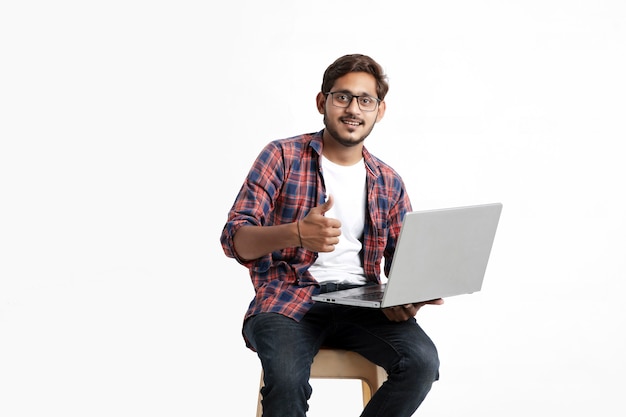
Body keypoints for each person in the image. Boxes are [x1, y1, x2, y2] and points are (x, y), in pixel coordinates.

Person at [220, 53, 443, 417]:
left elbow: (406, 264)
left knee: (421, 363)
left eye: (365, 100)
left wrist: (411, 297)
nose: (353, 109)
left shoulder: (388, 181)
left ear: (379, 111)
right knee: (288, 381)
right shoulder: (281, 156)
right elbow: (234, 238)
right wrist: (295, 233)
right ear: (322, 101)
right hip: (288, 302)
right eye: (342, 97)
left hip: (365, 305)